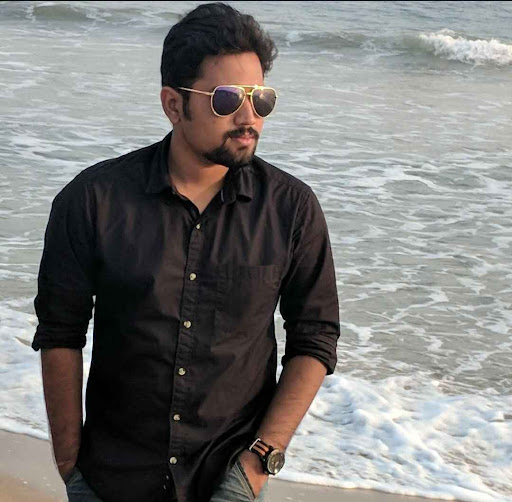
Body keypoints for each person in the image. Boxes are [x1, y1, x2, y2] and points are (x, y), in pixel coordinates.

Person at [32, 3, 340, 502]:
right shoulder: (92, 200)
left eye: (260, 98)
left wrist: (258, 463)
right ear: (173, 104)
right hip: (112, 479)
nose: (248, 117)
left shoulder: (292, 209)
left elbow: (316, 337)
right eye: (226, 99)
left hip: (229, 480)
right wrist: (71, 466)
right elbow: (60, 333)